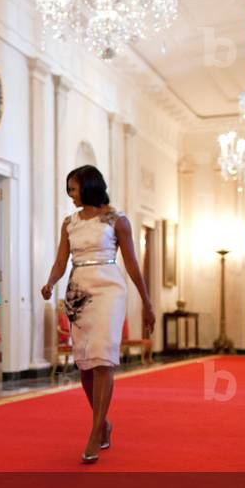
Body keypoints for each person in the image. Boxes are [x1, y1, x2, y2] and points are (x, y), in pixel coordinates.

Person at [41, 165, 154, 464]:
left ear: (89, 187)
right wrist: (51, 282)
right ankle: (103, 423)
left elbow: (131, 264)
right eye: (68, 190)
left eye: (74, 189)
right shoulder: (69, 223)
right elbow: (60, 261)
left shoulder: (117, 220)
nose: (70, 196)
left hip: (109, 290)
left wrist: (147, 302)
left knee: (103, 359)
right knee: (85, 364)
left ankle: (94, 432)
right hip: (78, 290)